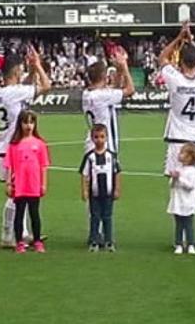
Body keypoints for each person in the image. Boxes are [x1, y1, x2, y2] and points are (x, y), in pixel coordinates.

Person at [158, 21, 195, 243]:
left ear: (180, 62)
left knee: (178, 188)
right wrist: (193, 43)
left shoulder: (175, 78)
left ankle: (180, 237)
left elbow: (162, 58)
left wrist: (179, 38)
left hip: (178, 140)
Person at [0, 46, 51, 248]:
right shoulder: (14, 92)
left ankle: (22, 232)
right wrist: (38, 66)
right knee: (16, 194)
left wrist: (33, 70)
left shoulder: (1, 91)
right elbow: (46, 86)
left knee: (22, 191)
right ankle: (7, 234)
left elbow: (25, 89)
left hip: (5, 145)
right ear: (17, 71)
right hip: (14, 148)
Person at [81, 45, 134, 244]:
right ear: (104, 77)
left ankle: (96, 231)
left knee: (97, 189)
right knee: (104, 191)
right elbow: (129, 90)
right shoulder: (101, 95)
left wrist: (118, 70)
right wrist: (125, 66)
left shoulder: (89, 94)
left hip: (92, 144)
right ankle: (98, 233)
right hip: (105, 146)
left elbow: (116, 90)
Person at [3, 110, 50, 254]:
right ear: (20, 124)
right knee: (19, 213)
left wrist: (43, 184)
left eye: (31, 122)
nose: (28, 126)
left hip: (34, 184)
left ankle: (37, 241)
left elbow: (44, 166)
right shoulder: (14, 145)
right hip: (20, 185)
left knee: (34, 213)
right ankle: (19, 242)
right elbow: (9, 166)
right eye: (25, 122)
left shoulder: (40, 144)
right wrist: (8, 184)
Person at [80, 124, 122, 253]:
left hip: (108, 193)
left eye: (102, 137)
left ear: (107, 138)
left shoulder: (111, 156)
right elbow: (84, 174)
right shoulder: (90, 157)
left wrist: (117, 189)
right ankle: (94, 240)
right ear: (92, 139)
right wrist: (85, 190)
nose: (99, 140)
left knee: (107, 217)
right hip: (95, 194)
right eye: (96, 137)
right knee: (95, 217)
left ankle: (109, 241)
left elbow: (117, 173)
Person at [168, 142, 195, 255]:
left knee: (188, 224)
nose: (180, 155)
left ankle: (190, 244)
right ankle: (178, 244)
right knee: (178, 224)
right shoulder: (179, 168)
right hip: (177, 201)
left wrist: (179, 178)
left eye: (183, 153)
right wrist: (173, 178)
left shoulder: (193, 171)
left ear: (190, 157)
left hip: (187, 202)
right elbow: (171, 185)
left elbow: (190, 186)